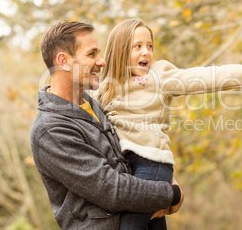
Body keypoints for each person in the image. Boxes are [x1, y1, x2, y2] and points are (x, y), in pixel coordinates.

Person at [96, 18, 242, 229]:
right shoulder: (104, 89)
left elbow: (204, 76)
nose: (146, 52)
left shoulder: (158, 76)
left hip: (152, 165)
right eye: (137, 46)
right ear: (119, 51)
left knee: (130, 226)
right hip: (127, 169)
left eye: (149, 46)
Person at [30, 21, 183, 230]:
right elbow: (111, 189)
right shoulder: (51, 130)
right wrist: (170, 194)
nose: (102, 62)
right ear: (64, 61)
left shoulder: (94, 103)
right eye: (91, 54)